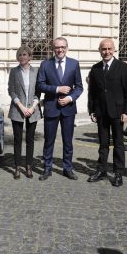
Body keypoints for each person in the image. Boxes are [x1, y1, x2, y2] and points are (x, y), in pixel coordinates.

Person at [36, 37, 83, 181]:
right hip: (51, 107)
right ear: (53, 49)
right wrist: (57, 89)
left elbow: (79, 87)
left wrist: (70, 98)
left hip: (68, 109)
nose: (60, 50)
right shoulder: (45, 64)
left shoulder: (74, 64)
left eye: (62, 47)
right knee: (48, 140)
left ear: (67, 48)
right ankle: (47, 168)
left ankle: (67, 168)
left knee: (67, 141)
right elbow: (40, 85)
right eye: (57, 47)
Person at [87, 38, 127, 187]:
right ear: (99, 51)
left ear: (114, 50)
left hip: (118, 112)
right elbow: (92, 92)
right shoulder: (95, 69)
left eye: (109, 49)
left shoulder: (123, 67)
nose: (106, 52)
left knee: (118, 144)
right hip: (101, 113)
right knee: (103, 144)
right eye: (103, 49)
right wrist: (92, 110)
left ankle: (118, 172)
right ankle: (102, 170)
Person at [7, 45, 42, 179]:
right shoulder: (14, 71)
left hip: (33, 110)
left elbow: (38, 91)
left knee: (30, 140)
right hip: (17, 109)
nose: (22, 57)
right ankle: (17, 167)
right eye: (20, 55)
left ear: (29, 57)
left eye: (24, 54)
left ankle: (28, 166)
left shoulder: (36, 71)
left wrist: (33, 107)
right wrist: (21, 107)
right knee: (17, 140)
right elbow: (11, 90)